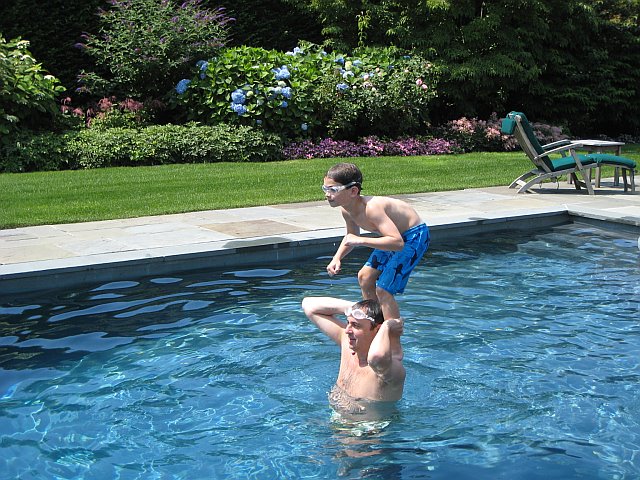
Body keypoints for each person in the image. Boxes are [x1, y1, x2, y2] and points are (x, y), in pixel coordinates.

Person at [322, 162, 430, 320]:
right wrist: (337, 258)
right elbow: (351, 235)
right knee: (364, 277)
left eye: (333, 189)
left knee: (383, 289)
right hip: (395, 237)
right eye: (325, 189)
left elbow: (397, 243)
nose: (327, 194)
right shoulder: (346, 210)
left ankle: (392, 331)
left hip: (414, 236)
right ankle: (374, 323)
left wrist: (361, 240)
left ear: (353, 191)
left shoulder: (372, 208)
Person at [301, 296, 405, 414]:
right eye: (348, 323)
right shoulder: (347, 342)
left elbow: (375, 357)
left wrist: (387, 326)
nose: (347, 330)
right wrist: (354, 308)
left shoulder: (390, 366)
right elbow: (308, 305)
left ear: (377, 329)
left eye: (356, 325)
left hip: (370, 426)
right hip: (335, 419)